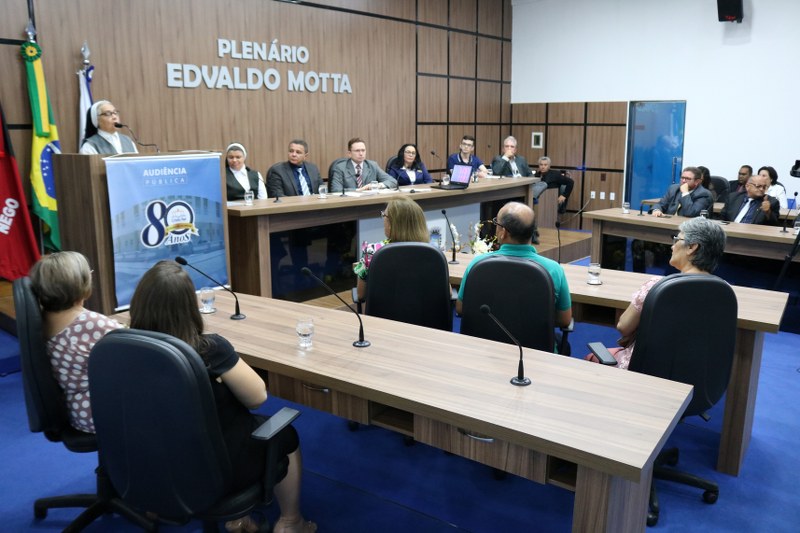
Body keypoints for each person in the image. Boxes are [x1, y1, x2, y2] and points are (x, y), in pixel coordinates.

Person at [129, 261, 315, 533]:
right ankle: (291, 522)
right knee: (285, 434)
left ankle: (237, 518)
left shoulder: (125, 346)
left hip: (157, 460)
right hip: (214, 467)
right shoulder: (208, 349)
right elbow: (257, 397)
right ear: (188, 307)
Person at [587, 217, 726, 369]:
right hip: (695, 376)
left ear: (692, 247)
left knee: (591, 358)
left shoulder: (658, 287)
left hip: (646, 373)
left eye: (677, 240)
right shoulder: (723, 293)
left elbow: (623, 327)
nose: (672, 246)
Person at [29, 251, 122, 434]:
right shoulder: (92, 324)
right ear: (82, 283)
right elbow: (136, 352)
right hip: (103, 412)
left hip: (75, 411)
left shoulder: (41, 320)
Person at [455, 201, 572, 331]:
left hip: (483, 341)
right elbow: (564, 320)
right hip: (532, 342)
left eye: (496, 223)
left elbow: (461, 308)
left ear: (503, 232)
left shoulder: (477, 264)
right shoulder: (554, 270)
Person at [353, 196, 429, 300]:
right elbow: (447, 293)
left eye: (384, 215)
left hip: (382, 311)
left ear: (393, 223)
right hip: (423, 310)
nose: (383, 219)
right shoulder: (432, 252)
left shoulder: (371, 252)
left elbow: (361, 295)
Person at [329, 138, 397, 192]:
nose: (361, 153)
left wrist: (378, 185)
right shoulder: (340, 167)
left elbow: (393, 181)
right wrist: (359, 190)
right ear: (349, 153)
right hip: (349, 202)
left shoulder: (372, 165)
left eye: (363, 150)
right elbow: (336, 190)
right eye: (357, 151)